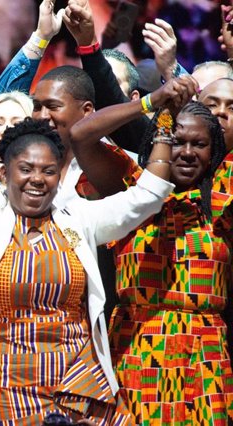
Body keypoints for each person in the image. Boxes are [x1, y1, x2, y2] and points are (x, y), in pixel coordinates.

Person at [0, 68, 181, 423]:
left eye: (48, 171)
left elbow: (149, 195)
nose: (37, 179)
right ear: (5, 168)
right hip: (3, 388)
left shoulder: (77, 217)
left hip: (79, 385)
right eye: (26, 169)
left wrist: (164, 115)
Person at [69, 75, 233, 424]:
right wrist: (152, 102)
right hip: (136, 348)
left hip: (203, 356)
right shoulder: (128, 189)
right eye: (176, 141)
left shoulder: (222, 197)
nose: (187, 152)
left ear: (213, 149)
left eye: (199, 144)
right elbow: (81, 134)